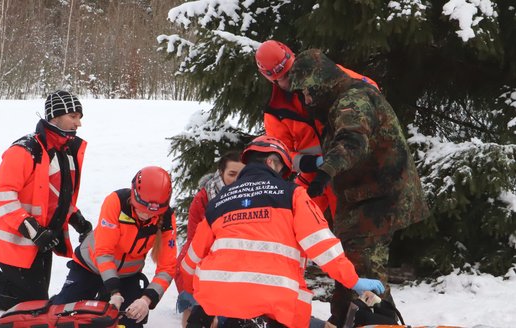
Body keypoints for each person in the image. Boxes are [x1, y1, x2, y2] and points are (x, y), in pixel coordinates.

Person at [179, 135, 385, 328]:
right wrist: (353, 280)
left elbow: (191, 259)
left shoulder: (219, 202)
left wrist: (194, 294)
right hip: (276, 306)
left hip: (219, 303)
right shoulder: (292, 194)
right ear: (271, 162)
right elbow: (321, 243)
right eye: (282, 169)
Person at [288, 49, 429, 328]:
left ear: (320, 82)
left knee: (364, 270)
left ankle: (384, 324)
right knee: (349, 264)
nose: (306, 99)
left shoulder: (353, 100)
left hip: (379, 199)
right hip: (364, 198)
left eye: (307, 91)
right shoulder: (342, 100)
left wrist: (325, 172)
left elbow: (353, 142)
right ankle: (341, 320)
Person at [0, 90, 92, 310]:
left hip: (40, 241)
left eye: (80, 117)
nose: (78, 123)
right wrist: (33, 230)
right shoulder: (25, 150)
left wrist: (77, 220)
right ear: (54, 116)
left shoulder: (65, 152)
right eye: (73, 116)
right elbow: (1, 195)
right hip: (15, 237)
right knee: (29, 302)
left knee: (35, 296)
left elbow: (56, 198)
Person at [255, 40, 380, 221]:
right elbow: (280, 153)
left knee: (354, 225)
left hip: (351, 162)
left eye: (291, 72)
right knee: (292, 217)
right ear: (271, 79)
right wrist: (311, 163)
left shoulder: (330, 74)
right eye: (284, 77)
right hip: (315, 171)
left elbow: (370, 89)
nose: (292, 79)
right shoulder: (277, 112)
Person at [51, 166, 178, 328]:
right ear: (133, 195)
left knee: (130, 321)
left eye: (152, 213)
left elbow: (167, 268)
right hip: (90, 266)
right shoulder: (116, 202)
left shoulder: (167, 219)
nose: (146, 215)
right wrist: (114, 291)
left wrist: (146, 300)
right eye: (141, 208)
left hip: (128, 275)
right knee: (64, 314)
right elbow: (103, 252)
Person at [175, 151, 245, 327]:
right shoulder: (204, 198)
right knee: (197, 308)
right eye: (231, 174)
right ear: (221, 173)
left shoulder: (250, 195)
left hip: (234, 261)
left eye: (241, 174)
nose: (237, 179)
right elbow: (195, 240)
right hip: (200, 259)